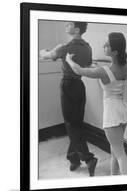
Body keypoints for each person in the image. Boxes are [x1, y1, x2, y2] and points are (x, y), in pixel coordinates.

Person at [65, 32, 127, 175]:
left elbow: (79, 70)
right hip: (123, 111)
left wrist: (69, 60)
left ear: (114, 52)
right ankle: (113, 179)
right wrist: (99, 69)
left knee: (120, 154)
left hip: (112, 113)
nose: (104, 46)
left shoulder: (103, 71)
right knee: (115, 151)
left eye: (107, 44)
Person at [39, 21, 98, 177]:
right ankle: (73, 158)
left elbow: (47, 55)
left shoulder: (64, 47)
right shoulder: (88, 47)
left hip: (68, 86)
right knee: (76, 123)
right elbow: (88, 63)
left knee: (71, 124)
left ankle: (88, 158)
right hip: (80, 85)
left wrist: (41, 50)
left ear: (76, 29)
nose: (66, 25)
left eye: (69, 24)